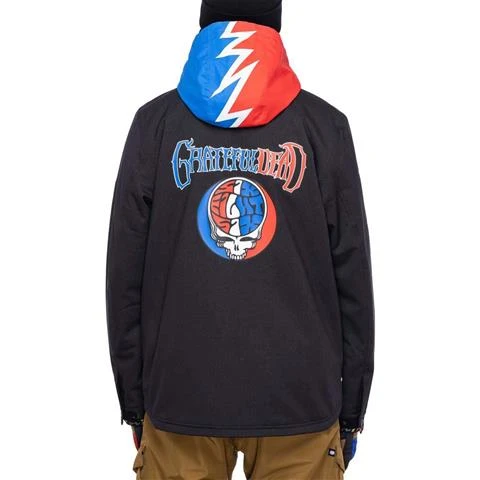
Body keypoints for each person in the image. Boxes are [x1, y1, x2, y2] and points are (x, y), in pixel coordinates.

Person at [106, 1, 375, 478]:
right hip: (301, 403)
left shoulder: (156, 125)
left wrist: (134, 402)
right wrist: (351, 409)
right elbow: (352, 276)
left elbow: (124, 277)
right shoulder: (324, 128)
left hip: (180, 398)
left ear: (206, 19)